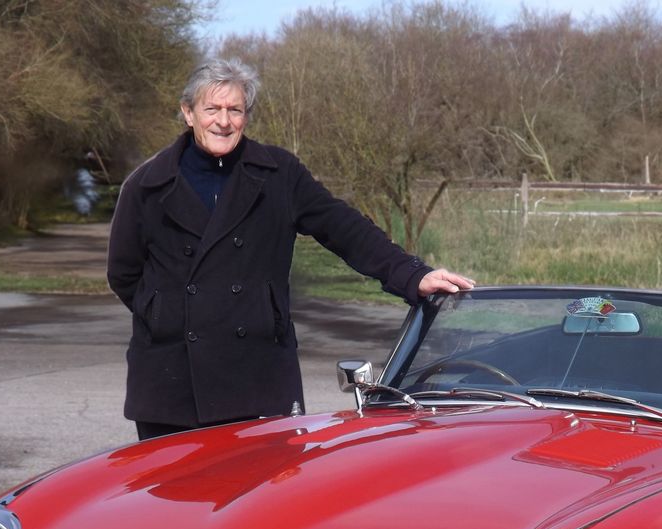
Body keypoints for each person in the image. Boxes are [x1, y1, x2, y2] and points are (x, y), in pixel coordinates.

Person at [107, 58, 474, 440]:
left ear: (246, 116)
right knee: (173, 499)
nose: (223, 121)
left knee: (262, 497)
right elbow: (123, 273)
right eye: (211, 109)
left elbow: (343, 228)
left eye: (235, 110)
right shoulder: (146, 185)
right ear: (188, 113)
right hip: (171, 383)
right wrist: (166, 314)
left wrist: (413, 274)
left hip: (257, 375)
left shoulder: (279, 174)